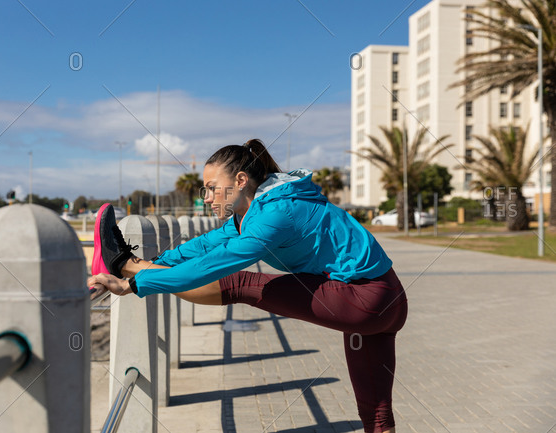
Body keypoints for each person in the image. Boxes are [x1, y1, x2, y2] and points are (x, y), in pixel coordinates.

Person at [88, 139, 408, 433]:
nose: (207, 198)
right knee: (377, 415)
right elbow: (202, 248)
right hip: (385, 299)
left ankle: (122, 264)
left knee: (241, 283)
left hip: (368, 299)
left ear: (241, 181)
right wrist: (160, 260)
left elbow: (211, 268)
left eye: (213, 188)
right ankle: (125, 263)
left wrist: (134, 281)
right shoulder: (258, 210)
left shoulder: (276, 214)